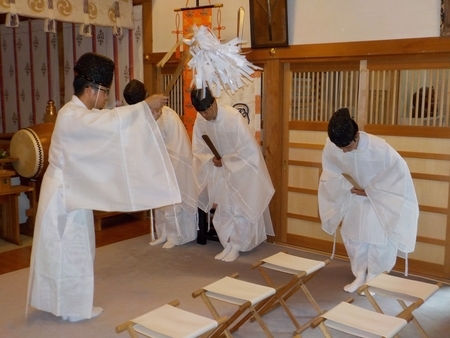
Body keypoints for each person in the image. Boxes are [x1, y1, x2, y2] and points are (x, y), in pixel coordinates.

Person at [27, 52, 181, 322]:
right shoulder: (72, 115)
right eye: (104, 92)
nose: (106, 99)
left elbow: (111, 131)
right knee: (70, 248)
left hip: (71, 189)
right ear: (90, 89)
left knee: (65, 248)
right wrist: (143, 107)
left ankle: (63, 303)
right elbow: (109, 124)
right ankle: (73, 308)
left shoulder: (79, 114)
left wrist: (147, 117)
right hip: (64, 193)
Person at [318, 108, 419, 293]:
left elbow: (398, 174)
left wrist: (372, 190)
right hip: (354, 195)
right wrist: (346, 185)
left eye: (347, 147)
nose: (344, 151)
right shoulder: (333, 146)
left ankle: (375, 277)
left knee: (377, 240)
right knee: (353, 236)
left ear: (356, 135)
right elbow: (330, 171)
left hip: (379, 200)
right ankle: (360, 275)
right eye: (341, 149)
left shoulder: (380, 148)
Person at [191, 86, 275, 262]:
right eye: (201, 112)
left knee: (239, 209)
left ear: (214, 103)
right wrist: (210, 158)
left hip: (239, 169)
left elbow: (247, 148)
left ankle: (238, 244)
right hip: (219, 170)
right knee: (224, 208)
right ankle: (228, 243)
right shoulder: (200, 120)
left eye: (206, 111)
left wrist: (227, 160)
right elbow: (198, 147)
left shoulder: (232, 117)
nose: (204, 116)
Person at [123, 79, 198, 249]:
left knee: (172, 202)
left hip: (174, 161)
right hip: (157, 163)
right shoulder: (141, 114)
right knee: (158, 201)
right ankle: (163, 233)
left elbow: (174, 144)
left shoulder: (166, 114)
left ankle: (177, 235)